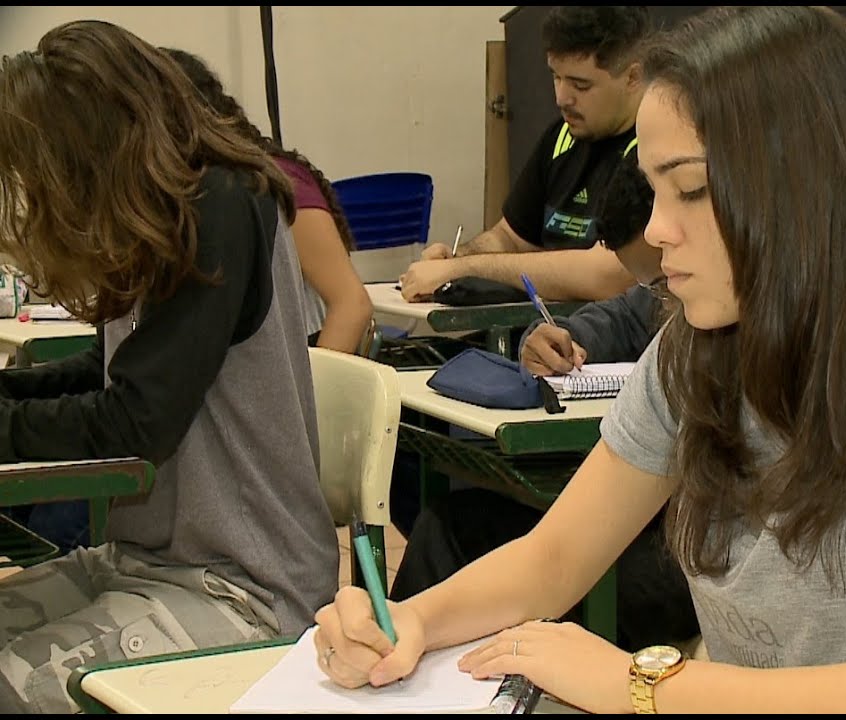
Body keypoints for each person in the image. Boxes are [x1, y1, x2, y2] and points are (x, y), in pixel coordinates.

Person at [314, 6, 846, 714]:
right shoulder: (695, 349)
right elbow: (555, 558)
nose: (659, 230)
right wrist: (413, 620)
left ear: (804, 190)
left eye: (691, 190)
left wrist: (636, 686)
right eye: (656, 189)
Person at [0, 20, 336, 713]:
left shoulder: (222, 202)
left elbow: (135, 421)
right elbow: (112, 369)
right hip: (146, 562)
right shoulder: (166, 210)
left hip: (247, 589)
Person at [389, 152, 697, 653]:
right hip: (638, 527)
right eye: (649, 282)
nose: (664, 293)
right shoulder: (670, 327)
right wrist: (551, 335)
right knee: (447, 526)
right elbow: (616, 318)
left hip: (679, 560)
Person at [398, 6, 649, 303]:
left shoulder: (653, 147)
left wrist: (461, 269)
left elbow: (606, 275)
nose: (562, 98)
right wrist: (456, 257)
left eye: (581, 85)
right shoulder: (562, 137)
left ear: (633, 77)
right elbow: (511, 237)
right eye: (556, 77)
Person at [164, 47, 373, 354]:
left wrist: (312, 397)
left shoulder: (275, 184)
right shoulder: (196, 187)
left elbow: (352, 304)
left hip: (304, 358)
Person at [518, 150, 664, 376]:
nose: (667, 296)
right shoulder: (653, 302)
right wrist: (555, 342)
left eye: (664, 280)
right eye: (652, 286)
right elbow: (625, 320)